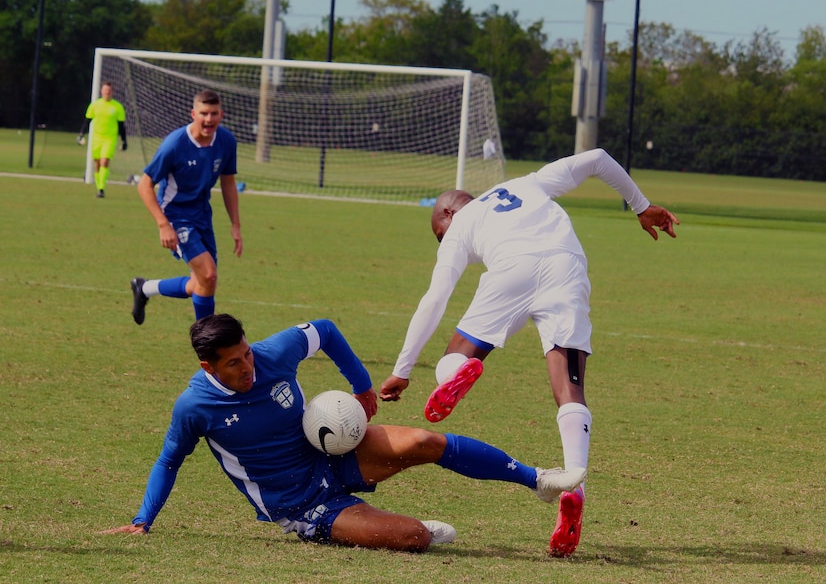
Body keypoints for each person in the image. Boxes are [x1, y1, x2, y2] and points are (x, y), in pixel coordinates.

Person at [379, 147, 679, 558]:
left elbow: (434, 299)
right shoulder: (527, 183)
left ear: (446, 216)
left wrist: (402, 368)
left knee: (457, 355)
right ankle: (575, 486)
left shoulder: (460, 227)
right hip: (566, 265)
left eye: (438, 237)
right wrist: (642, 207)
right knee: (570, 388)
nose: (441, 244)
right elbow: (597, 158)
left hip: (511, 270)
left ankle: (455, 376)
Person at [100, 313, 585, 552]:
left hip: (328, 453)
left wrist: (363, 388)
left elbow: (326, 329)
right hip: (298, 503)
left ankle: (536, 479)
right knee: (414, 538)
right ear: (209, 367)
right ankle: (394, 528)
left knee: (425, 442)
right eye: (233, 364)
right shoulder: (195, 407)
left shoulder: (274, 353)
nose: (248, 366)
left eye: (247, 353)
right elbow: (168, 461)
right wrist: (143, 520)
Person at [130, 89, 242, 323]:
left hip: (202, 214)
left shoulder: (226, 141)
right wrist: (163, 224)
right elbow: (145, 185)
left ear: (221, 114)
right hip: (175, 215)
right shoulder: (175, 144)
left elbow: (228, 183)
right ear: (193, 113)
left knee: (202, 283)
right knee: (208, 275)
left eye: (214, 114)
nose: (209, 119)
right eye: (204, 113)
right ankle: (207, 343)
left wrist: (235, 225)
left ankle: (144, 288)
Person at [78, 81, 127, 199]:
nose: (107, 92)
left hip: (109, 139)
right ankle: (98, 187)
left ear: (112, 92)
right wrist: (80, 135)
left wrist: (124, 141)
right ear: (101, 91)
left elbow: (121, 126)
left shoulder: (117, 107)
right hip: (96, 138)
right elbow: (87, 121)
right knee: (97, 163)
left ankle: (101, 188)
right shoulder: (95, 105)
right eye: (105, 90)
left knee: (104, 161)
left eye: (109, 90)